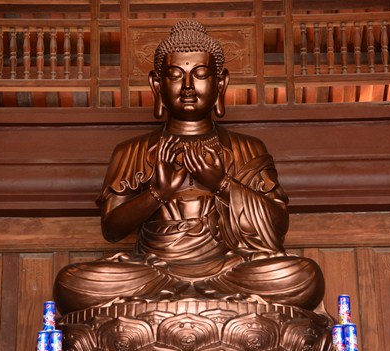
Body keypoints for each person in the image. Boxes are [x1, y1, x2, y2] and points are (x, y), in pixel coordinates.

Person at [54, 20, 325, 315]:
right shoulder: (132, 150)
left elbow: (277, 226)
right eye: (174, 75)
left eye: (200, 74)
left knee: (303, 276)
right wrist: (157, 194)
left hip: (229, 270)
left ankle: (176, 305)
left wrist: (223, 184)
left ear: (220, 83)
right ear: (156, 85)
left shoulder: (248, 148)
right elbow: (112, 229)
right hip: (154, 272)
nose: (187, 87)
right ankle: (211, 306)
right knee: (71, 282)